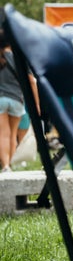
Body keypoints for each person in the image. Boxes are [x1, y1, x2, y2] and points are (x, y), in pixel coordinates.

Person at [0, 32, 25, 172]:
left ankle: (5, 166)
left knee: (3, 133)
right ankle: (10, 164)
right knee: (13, 134)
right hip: (16, 99)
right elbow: (30, 81)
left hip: (0, 99)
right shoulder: (18, 59)